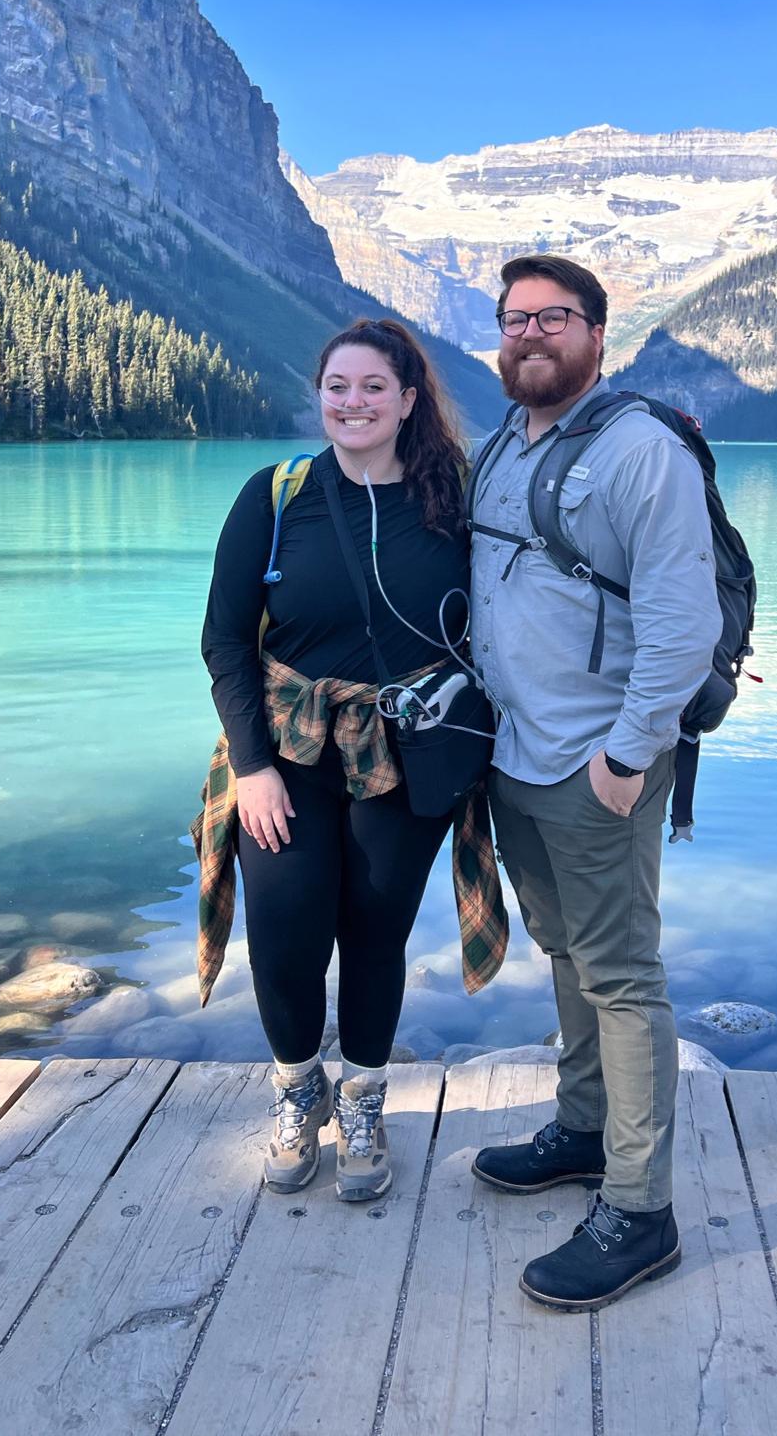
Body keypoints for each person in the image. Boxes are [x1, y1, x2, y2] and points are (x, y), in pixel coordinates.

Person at [467, 255, 722, 1310]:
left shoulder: (639, 450)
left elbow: (683, 623)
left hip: (596, 764)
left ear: (597, 335)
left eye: (553, 317)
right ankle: (582, 1129)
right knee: (566, 951)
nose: (530, 334)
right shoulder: (501, 443)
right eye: (513, 319)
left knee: (621, 975)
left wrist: (628, 753)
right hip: (512, 756)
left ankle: (639, 1209)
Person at [196, 318, 472, 1202]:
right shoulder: (275, 496)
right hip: (285, 754)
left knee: (375, 937)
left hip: (409, 752)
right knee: (284, 939)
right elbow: (224, 641)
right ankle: (294, 1090)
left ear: (408, 399)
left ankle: (361, 1102)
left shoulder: (454, 500)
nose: (352, 403)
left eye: (372, 387)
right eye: (336, 387)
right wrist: (251, 767)